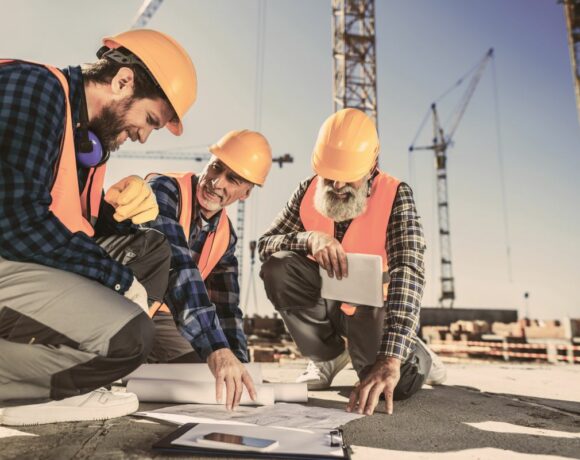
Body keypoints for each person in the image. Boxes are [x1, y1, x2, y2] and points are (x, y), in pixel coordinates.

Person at [0, 29, 197, 425]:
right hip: (9, 246)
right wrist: (119, 281)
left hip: (21, 259)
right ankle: (40, 388)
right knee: (129, 340)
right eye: (149, 120)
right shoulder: (36, 88)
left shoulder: (87, 141)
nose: (143, 136)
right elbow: (15, 217)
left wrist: (111, 215)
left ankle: (54, 375)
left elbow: (65, 222)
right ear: (123, 81)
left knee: (149, 249)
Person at [258, 108, 446, 417]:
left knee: (390, 386)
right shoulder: (307, 191)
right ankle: (326, 356)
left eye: (348, 179)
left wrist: (390, 358)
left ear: (371, 165)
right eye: (330, 176)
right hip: (328, 305)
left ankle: (415, 353)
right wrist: (309, 239)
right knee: (277, 267)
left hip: (373, 310)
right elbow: (266, 245)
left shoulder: (396, 195)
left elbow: (408, 272)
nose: (338, 186)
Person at [145, 129, 273, 411]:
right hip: (126, 303)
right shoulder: (164, 190)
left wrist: (238, 361)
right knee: (208, 358)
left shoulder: (226, 237)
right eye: (216, 167)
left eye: (232, 179)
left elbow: (226, 309)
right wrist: (216, 349)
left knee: (204, 374)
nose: (216, 182)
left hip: (166, 319)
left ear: (246, 192)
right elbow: (177, 265)